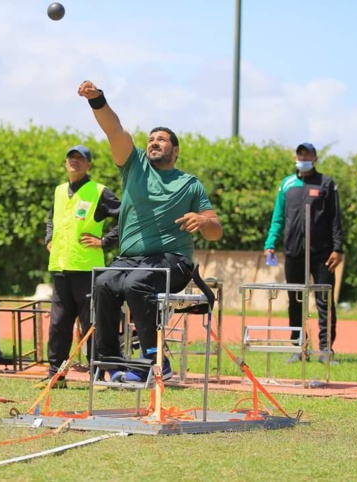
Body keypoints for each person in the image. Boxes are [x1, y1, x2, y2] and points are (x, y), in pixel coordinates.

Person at [77, 80, 223, 383]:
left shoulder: (189, 184)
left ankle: (156, 361)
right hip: (131, 260)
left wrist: (204, 221)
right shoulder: (134, 164)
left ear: (175, 150)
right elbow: (114, 130)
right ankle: (109, 361)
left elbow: (215, 230)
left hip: (173, 261)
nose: (154, 142)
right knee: (103, 283)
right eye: (151, 139)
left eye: (162, 139)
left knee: (135, 286)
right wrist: (97, 100)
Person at [35, 144, 121, 388]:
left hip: (87, 270)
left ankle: (96, 375)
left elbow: (127, 215)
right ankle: (56, 375)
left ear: (88, 165)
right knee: (58, 325)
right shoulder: (59, 191)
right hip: (60, 268)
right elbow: (50, 218)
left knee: (90, 324)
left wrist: (105, 241)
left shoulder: (100, 191)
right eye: (71, 158)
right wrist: (49, 238)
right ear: (65, 163)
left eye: (80, 158)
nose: (74, 161)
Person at [263, 142, 344, 364]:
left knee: (324, 300)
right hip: (294, 252)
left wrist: (338, 248)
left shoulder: (326, 183)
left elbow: (336, 218)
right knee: (295, 300)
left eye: (308, 154)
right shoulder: (286, 184)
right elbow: (278, 217)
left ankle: (325, 349)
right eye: (301, 154)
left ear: (315, 158)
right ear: (295, 157)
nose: (304, 157)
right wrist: (270, 243)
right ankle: (299, 347)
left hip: (323, 253)